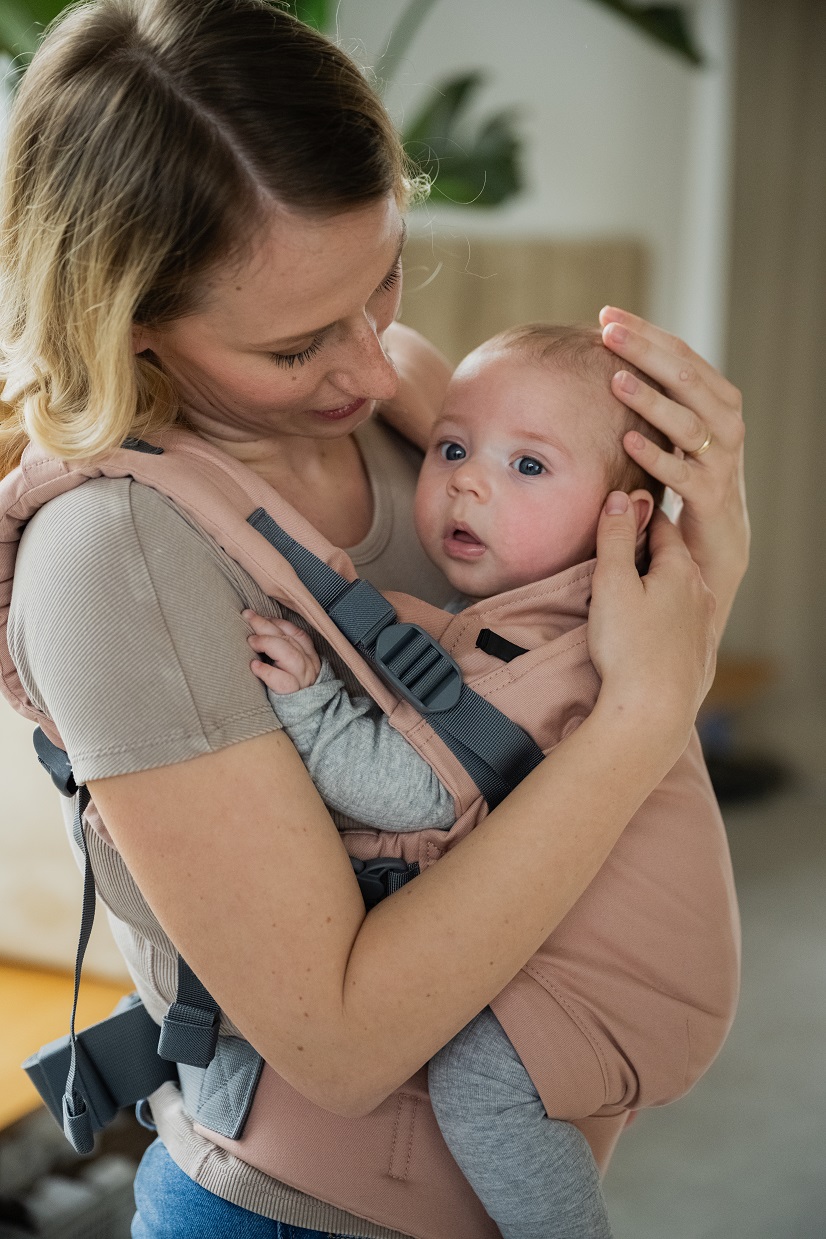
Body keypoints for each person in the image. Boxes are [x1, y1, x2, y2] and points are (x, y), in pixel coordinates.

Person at [0, 2, 747, 1237]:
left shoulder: (400, 392)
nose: (369, 362)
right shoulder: (115, 560)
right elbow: (340, 1048)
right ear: (132, 326)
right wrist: (650, 715)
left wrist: (703, 532)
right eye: (296, 347)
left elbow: (561, 666)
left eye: (383, 278)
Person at [238, 323, 714, 1239]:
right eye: (452, 447)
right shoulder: (518, 612)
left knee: (477, 1077)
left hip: (639, 978)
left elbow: (418, 791)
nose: (466, 479)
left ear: (625, 518)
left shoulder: (562, 647)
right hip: (593, 946)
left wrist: (312, 708)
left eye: (528, 466)